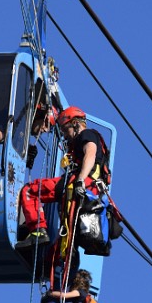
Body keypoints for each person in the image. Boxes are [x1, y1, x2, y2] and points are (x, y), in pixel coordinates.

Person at [16, 106, 108, 249]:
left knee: (31, 190)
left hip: (80, 183)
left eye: (66, 130)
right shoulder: (85, 141)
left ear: (75, 123)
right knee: (65, 240)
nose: (64, 135)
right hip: (89, 189)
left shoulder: (87, 135)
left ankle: (38, 230)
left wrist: (80, 180)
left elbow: (90, 154)